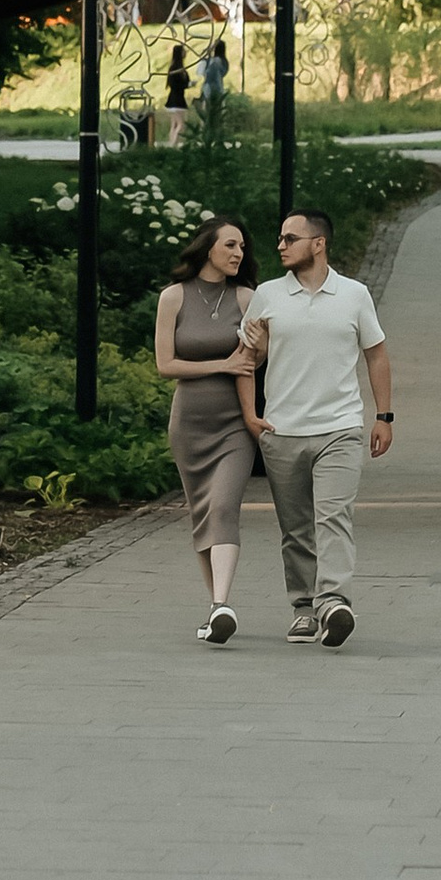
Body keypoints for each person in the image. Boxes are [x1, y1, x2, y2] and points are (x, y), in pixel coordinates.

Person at [237, 205, 394, 649]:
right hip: (282, 430)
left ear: (319, 244)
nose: (280, 245)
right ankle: (303, 608)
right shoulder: (266, 295)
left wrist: (383, 416)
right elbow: (248, 362)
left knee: (334, 516)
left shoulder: (354, 294)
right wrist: (251, 416)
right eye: (281, 238)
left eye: (291, 238)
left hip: (340, 427)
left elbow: (376, 353)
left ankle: (334, 603)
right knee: (296, 527)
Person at [154, 215, 260, 645]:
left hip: (235, 422)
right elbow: (165, 365)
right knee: (201, 514)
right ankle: (217, 607)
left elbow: (258, 358)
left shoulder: (248, 298)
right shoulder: (173, 297)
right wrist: (222, 363)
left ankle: (221, 605)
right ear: (207, 248)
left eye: (242, 247)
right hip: (189, 423)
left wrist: (258, 344)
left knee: (222, 508)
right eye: (230, 245)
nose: (238, 254)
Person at [162, 39, 191, 145]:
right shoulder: (175, 68)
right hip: (177, 100)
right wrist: (186, 84)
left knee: (174, 125)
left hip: (174, 99)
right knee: (180, 125)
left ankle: (171, 144)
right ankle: (173, 144)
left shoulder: (179, 68)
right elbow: (176, 84)